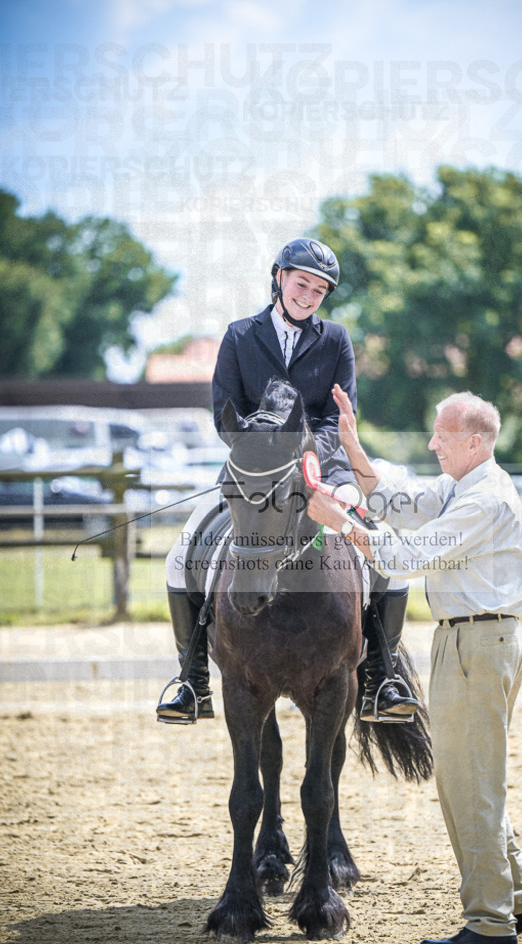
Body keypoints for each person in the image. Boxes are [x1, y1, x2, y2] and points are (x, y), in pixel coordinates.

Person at [307, 384, 522, 944]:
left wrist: (341, 523)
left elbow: (407, 557)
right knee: (474, 777)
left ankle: (491, 923)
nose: (431, 444)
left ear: (472, 441)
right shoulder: (464, 484)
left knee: (469, 784)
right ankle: (520, 898)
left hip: (476, 643)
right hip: (473, 639)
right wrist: (354, 450)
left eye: (440, 437)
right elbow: (402, 497)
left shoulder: (482, 501)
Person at [156, 238, 416, 725]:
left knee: (386, 552)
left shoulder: (335, 339)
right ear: (279, 277)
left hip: (322, 471)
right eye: (302, 283)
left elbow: (341, 415)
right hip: (253, 470)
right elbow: (223, 412)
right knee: (180, 554)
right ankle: (192, 679)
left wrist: (306, 452)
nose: (309, 295)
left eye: (320, 290)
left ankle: (382, 675)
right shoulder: (239, 335)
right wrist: (262, 442)